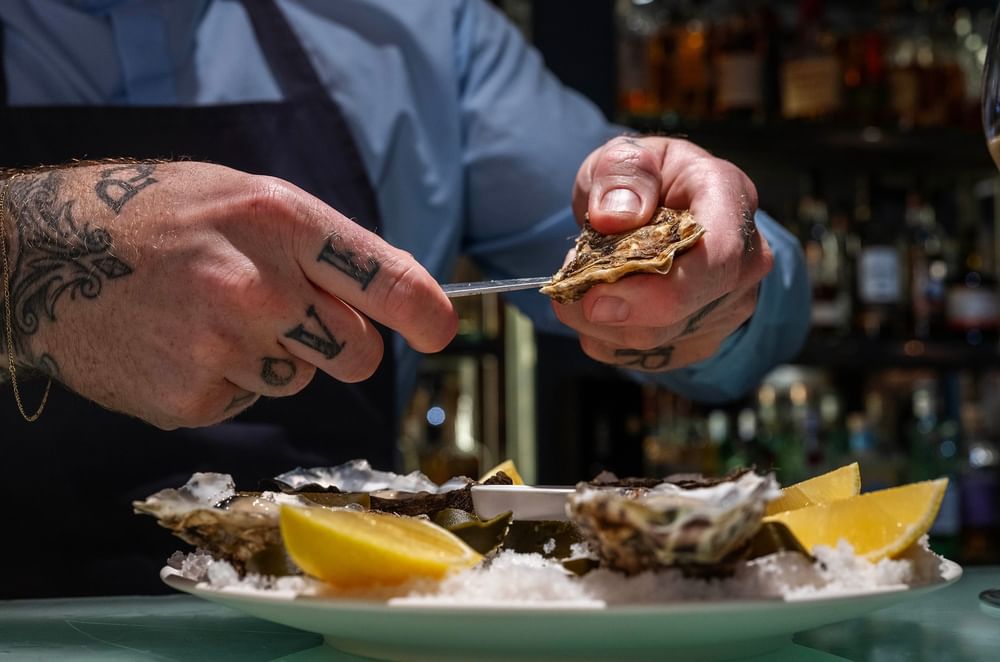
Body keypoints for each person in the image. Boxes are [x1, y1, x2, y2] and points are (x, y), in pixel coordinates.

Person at [0, 0, 809, 598]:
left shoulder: (417, 27)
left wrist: (713, 273)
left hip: (341, 621)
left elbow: (757, 308)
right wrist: (23, 249)